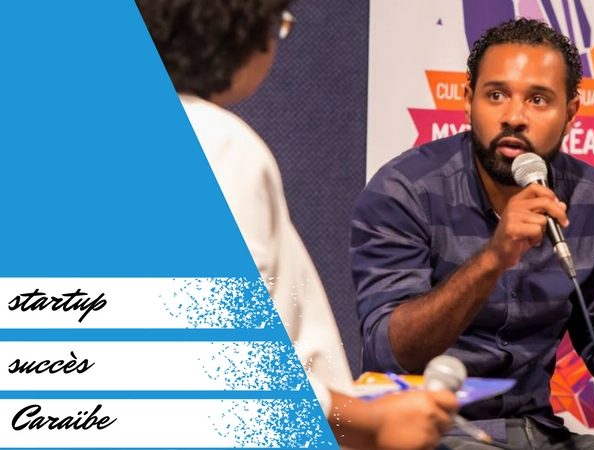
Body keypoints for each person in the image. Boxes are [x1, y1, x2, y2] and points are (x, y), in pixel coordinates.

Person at [350, 18, 594, 449]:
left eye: (538, 99)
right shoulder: (404, 190)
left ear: (570, 113)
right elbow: (390, 351)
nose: (514, 117)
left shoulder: (593, 197)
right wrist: (493, 258)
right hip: (426, 433)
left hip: (539, 433)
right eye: (496, 95)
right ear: (468, 101)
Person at [135, 1, 458, 449]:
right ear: (240, 29)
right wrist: (368, 421)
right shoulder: (219, 143)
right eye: (277, 25)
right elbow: (220, 357)